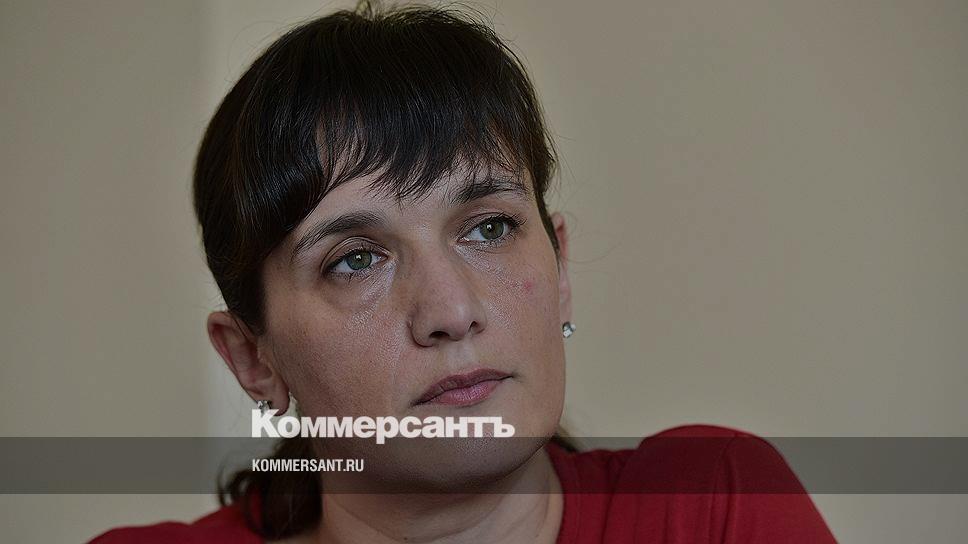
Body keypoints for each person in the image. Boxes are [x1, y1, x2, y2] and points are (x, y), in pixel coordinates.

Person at [91, 3, 837, 543]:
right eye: (356, 259)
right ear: (252, 359)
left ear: (560, 269)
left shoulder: (713, 508)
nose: (451, 311)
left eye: (489, 228)